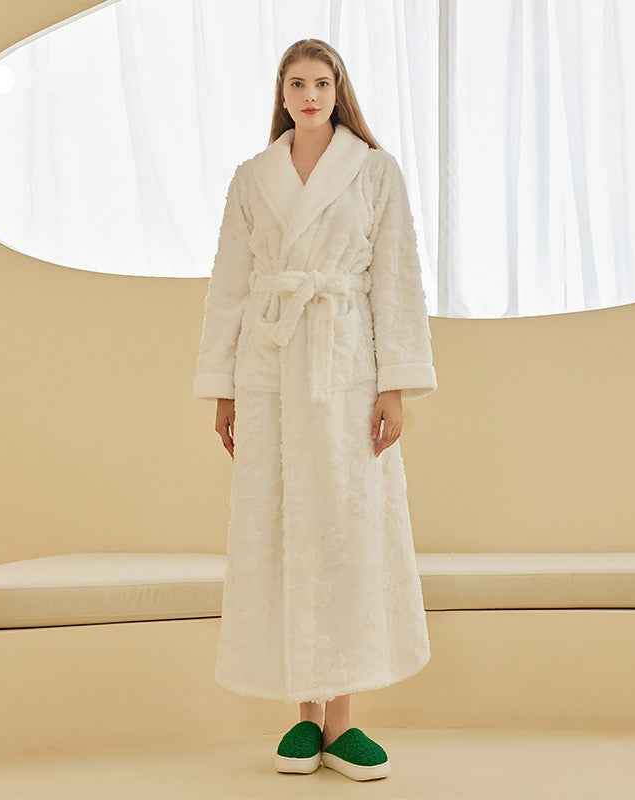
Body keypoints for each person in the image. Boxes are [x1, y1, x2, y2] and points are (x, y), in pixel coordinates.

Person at [193, 37, 437, 781]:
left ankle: (344, 719)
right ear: (281, 93)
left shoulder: (375, 171)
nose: (308, 95)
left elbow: (396, 279)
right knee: (281, 522)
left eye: (321, 83)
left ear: (339, 91)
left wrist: (394, 384)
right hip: (269, 366)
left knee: (344, 527)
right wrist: (224, 386)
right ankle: (303, 715)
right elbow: (229, 284)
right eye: (296, 83)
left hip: (345, 367)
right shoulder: (252, 177)